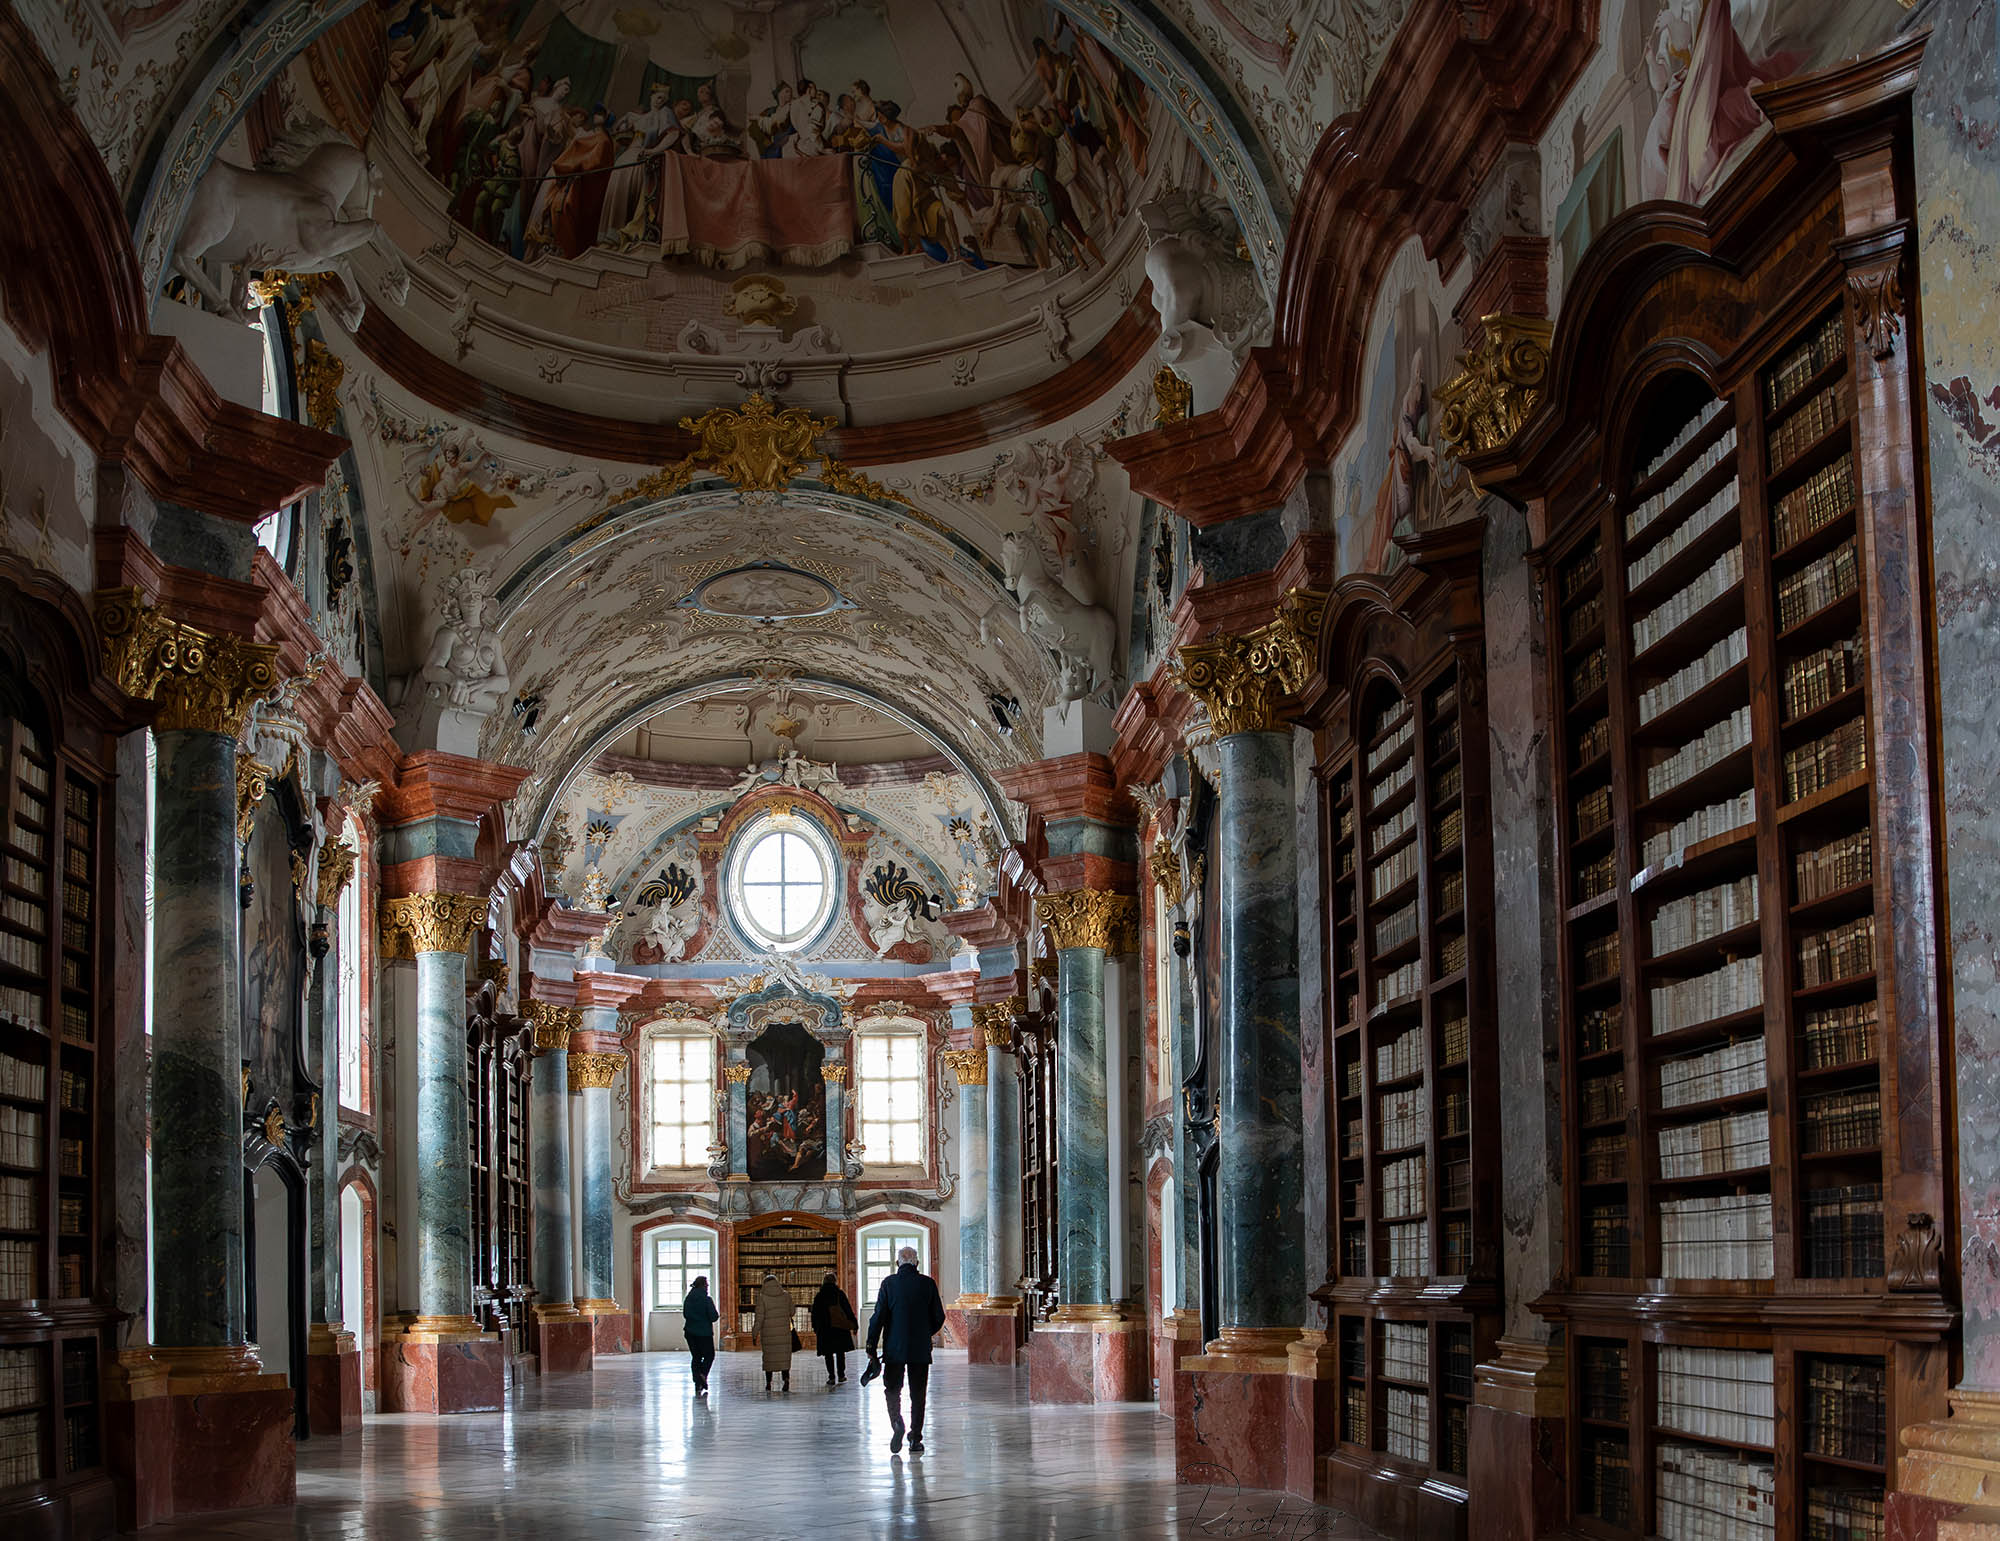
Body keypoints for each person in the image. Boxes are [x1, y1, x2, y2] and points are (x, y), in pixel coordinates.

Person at [865, 1245, 945, 1453]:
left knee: (892, 1389)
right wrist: (925, 1332)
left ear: (897, 1263)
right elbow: (939, 1317)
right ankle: (915, 1438)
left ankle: (897, 1423)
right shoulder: (927, 1284)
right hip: (920, 1349)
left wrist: (871, 1345)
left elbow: (878, 1317)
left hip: (894, 1348)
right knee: (918, 1394)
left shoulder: (889, 1284)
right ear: (916, 1263)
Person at [810, 1271, 857, 1386]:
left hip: (825, 1329)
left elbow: (814, 1314)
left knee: (828, 1353)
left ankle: (831, 1377)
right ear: (835, 1281)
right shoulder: (839, 1294)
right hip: (839, 1328)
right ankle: (841, 1375)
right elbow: (847, 1310)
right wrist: (854, 1324)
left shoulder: (819, 1296)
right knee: (840, 1353)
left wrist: (815, 1327)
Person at [755, 1270, 794, 1391]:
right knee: (784, 1358)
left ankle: (768, 1383)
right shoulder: (786, 1295)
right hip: (784, 1333)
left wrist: (754, 1333)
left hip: (768, 1333)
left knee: (769, 1358)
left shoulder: (762, 1298)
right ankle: (786, 1380)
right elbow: (792, 1312)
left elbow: (759, 1318)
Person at [682, 1274, 719, 1396]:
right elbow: (714, 1317)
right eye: (707, 1285)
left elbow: (686, 1315)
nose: (708, 1287)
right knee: (709, 1355)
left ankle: (697, 1382)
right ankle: (702, 1375)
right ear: (703, 1286)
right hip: (704, 1333)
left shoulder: (688, 1299)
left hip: (690, 1333)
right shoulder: (707, 1300)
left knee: (696, 1357)